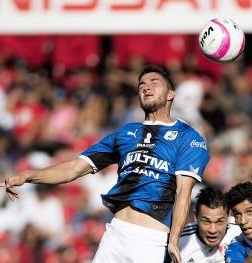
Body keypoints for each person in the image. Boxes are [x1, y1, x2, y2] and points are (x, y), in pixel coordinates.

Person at [0, 65, 211, 263]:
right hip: (115, 233)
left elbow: (183, 194)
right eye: (141, 85)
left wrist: (174, 240)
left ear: (170, 94)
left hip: (151, 239)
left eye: (154, 82)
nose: (146, 87)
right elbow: (74, 168)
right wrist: (28, 176)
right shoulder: (125, 133)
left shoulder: (188, 138)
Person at [178, 186, 241, 263]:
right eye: (206, 221)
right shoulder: (179, 241)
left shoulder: (241, 233)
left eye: (219, 222)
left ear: (228, 217)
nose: (212, 230)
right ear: (196, 216)